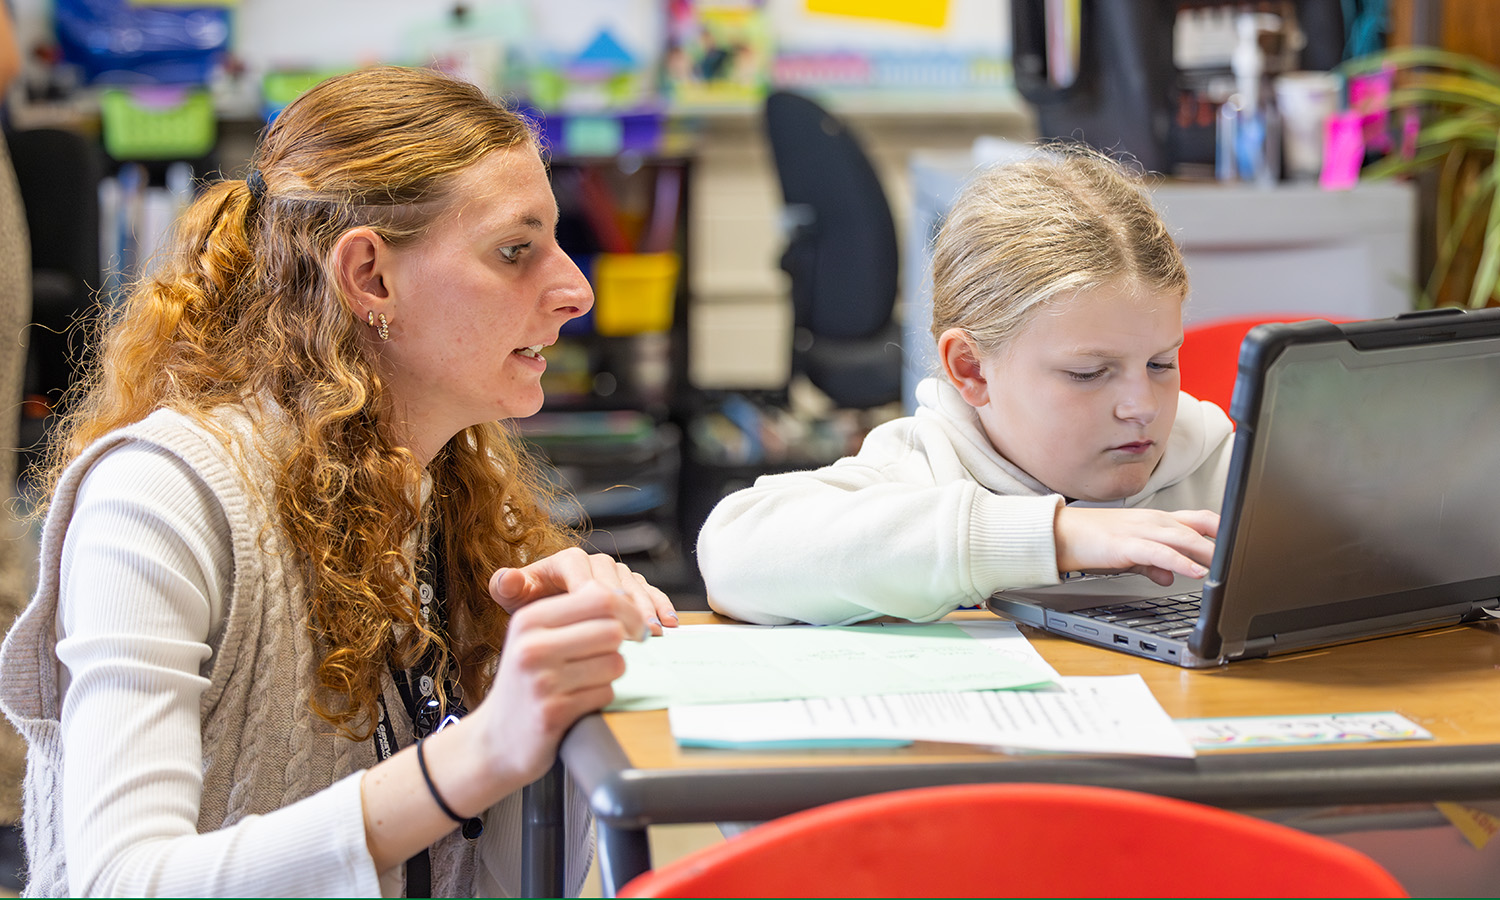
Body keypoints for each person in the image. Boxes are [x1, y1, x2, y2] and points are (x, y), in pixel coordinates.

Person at [0, 65, 679, 897]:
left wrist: (552, 688)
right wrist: (475, 752)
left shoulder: (447, 487)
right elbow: (123, 882)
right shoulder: (159, 498)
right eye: (517, 250)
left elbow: (488, 881)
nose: (576, 290)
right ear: (370, 278)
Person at [697, 145, 1234, 626]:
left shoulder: (1222, 465)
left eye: (1162, 363)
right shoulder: (918, 469)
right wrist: (1054, 536)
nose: (1141, 406)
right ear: (972, 370)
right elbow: (732, 555)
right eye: (1088, 374)